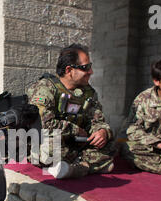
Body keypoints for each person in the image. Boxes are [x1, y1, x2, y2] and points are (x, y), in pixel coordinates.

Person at [26, 43, 115, 179]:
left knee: (111, 145)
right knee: (49, 148)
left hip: (77, 143)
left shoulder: (88, 92)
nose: (91, 72)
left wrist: (102, 132)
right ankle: (89, 165)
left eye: (89, 67)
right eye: (86, 68)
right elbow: (43, 124)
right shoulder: (46, 88)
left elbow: (97, 120)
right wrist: (75, 130)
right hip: (54, 141)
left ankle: (74, 168)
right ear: (69, 70)